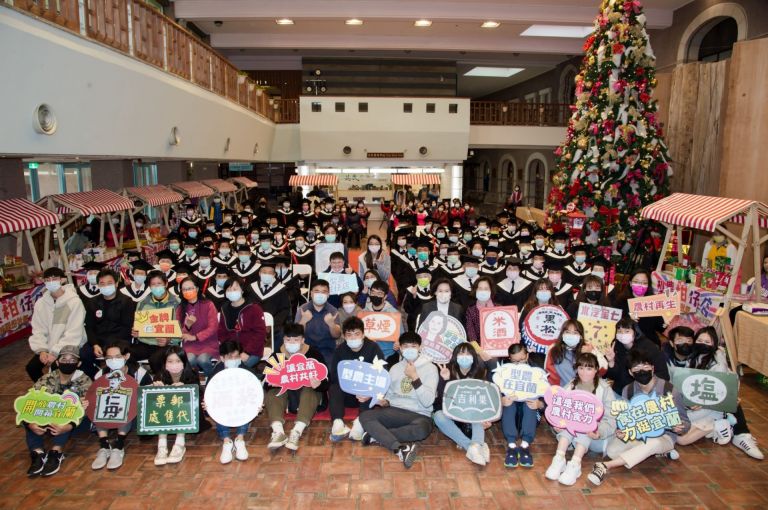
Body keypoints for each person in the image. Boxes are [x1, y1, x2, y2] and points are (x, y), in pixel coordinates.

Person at [588, 349, 691, 486]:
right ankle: (657, 452)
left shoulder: (668, 389)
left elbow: (685, 421)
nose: (642, 371)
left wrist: (680, 427)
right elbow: (625, 417)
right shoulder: (628, 390)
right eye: (637, 368)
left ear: (652, 368)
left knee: (653, 443)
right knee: (613, 450)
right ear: (631, 372)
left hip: (664, 435)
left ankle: (605, 466)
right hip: (639, 432)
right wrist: (622, 430)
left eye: (645, 367)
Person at [358, 332, 438, 469]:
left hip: (419, 414)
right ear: (400, 348)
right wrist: (378, 401)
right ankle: (400, 447)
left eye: (413, 346)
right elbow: (388, 398)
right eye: (405, 346)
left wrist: (415, 377)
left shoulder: (430, 368)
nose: (409, 349)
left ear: (420, 347)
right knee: (365, 415)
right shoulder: (395, 368)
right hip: (394, 411)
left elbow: (428, 402)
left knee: (422, 430)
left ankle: (377, 435)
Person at [689, 326, 763, 459]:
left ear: (715, 344)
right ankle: (721, 424)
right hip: (694, 405)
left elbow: (726, 387)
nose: (702, 344)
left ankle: (742, 435)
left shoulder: (719, 363)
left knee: (733, 401)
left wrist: (726, 398)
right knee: (684, 434)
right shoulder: (691, 357)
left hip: (712, 404)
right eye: (699, 340)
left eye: (707, 342)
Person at [545, 352, 616, 486]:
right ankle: (559, 459)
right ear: (576, 369)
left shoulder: (604, 389)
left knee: (585, 426)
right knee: (569, 425)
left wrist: (599, 431)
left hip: (596, 435)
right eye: (581, 368)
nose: (584, 372)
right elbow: (559, 408)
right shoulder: (572, 384)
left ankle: (575, 464)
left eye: (589, 368)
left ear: (596, 370)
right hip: (572, 432)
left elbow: (611, 418)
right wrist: (556, 425)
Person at [23, 345, 92, 477]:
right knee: (28, 416)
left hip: (75, 423)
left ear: (79, 364)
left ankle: (56, 452)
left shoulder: (85, 380)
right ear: (57, 362)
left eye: (72, 360)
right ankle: (37, 453)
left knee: (65, 416)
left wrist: (68, 426)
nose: (68, 362)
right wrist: (30, 424)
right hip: (47, 418)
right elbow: (30, 402)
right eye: (64, 359)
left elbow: (84, 409)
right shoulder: (46, 379)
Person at [265, 322, 329, 452]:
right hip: (288, 398)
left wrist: (319, 384)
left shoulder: (313, 354)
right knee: (273, 392)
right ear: (283, 340)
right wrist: (272, 383)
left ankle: (296, 431)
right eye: (288, 340)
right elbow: (265, 381)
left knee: (310, 388)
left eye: (296, 340)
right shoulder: (277, 356)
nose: (292, 343)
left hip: (306, 396)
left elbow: (327, 381)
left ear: (302, 340)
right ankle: (278, 432)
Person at [90, 340, 152, 471]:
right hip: (108, 412)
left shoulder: (140, 373)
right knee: (100, 405)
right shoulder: (100, 375)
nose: (113, 361)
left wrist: (138, 391)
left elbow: (149, 397)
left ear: (126, 356)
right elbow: (92, 395)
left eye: (117, 357)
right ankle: (104, 446)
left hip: (134, 414)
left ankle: (119, 446)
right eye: (109, 358)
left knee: (124, 405)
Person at [433, 343, 495, 466]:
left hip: (471, 414)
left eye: (468, 353)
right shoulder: (447, 370)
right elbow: (441, 399)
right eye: (461, 353)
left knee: (479, 414)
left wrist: (487, 418)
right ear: (455, 356)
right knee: (438, 416)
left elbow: (485, 398)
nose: (465, 356)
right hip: (451, 412)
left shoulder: (480, 372)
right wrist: (445, 380)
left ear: (474, 356)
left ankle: (476, 445)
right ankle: (473, 446)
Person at [328, 317, 385, 442]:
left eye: (357, 334)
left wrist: (369, 393)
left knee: (368, 388)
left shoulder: (373, 347)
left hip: (366, 395)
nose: (353, 338)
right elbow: (334, 375)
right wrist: (349, 386)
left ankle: (360, 422)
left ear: (363, 334)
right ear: (344, 336)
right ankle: (337, 421)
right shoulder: (340, 350)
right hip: (346, 392)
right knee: (334, 387)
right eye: (349, 334)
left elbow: (382, 373)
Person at [27, 267, 89, 382]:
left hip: (70, 345)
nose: (51, 282)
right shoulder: (41, 303)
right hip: (48, 346)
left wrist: (55, 352)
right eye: (47, 279)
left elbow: (74, 332)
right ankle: (45, 389)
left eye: (54, 279)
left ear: (62, 280)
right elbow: (38, 329)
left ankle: (61, 393)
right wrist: (41, 350)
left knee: (57, 367)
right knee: (32, 367)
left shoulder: (74, 302)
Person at [206, 340, 257, 464]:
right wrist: (207, 405)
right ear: (222, 358)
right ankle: (227, 441)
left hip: (241, 404)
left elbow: (255, 391)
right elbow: (209, 394)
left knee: (246, 405)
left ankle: (240, 438)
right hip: (224, 406)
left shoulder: (246, 370)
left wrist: (257, 405)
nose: (234, 359)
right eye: (230, 357)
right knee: (218, 409)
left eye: (237, 356)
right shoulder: (215, 373)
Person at [152, 346, 200, 466]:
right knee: (160, 407)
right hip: (166, 413)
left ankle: (179, 444)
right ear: (165, 363)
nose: (174, 364)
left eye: (178, 361)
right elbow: (152, 403)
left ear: (184, 362)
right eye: (170, 361)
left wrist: (185, 389)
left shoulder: (192, 374)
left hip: (186, 414)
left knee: (180, 405)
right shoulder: (159, 376)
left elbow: (199, 398)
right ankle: (162, 446)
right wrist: (157, 390)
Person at [501, 344, 544, 468]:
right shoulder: (502, 371)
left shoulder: (538, 370)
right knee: (509, 402)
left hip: (530, 417)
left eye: (522, 360)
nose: (519, 364)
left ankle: (525, 445)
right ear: (509, 359)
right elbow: (492, 394)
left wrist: (539, 404)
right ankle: (511, 446)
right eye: (514, 361)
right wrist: (501, 400)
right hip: (510, 416)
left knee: (531, 401)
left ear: (527, 355)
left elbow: (548, 398)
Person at [604, 317, 669, 395]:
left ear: (635, 332)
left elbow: (663, 374)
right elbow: (614, 376)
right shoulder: (615, 346)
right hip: (621, 390)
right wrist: (611, 362)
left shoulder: (649, 347)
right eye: (619, 331)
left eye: (627, 331)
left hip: (647, 391)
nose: (622, 334)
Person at [131, 271, 181, 372]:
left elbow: (181, 329)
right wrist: (136, 332)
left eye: (159, 284)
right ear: (149, 286)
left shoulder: (177, 303)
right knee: (126, 354)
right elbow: (137, 325)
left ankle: (162, 384)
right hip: (145, 343)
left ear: (166, 284)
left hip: (167, 344)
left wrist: (169, 339)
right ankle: (136, 382)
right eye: (153, 284)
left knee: (155, 359)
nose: (156, 287)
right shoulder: (143, 303)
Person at [84, 268, 136, 359]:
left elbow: (127, 327)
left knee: (115, 355)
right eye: (102, 284)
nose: (106, 286)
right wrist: (95, 344)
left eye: (109, 283)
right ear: (98, 285)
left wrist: (109, 345)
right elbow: (89, 327)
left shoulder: (126, 301)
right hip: (98, 341)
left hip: (120, 340)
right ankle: (98, 373)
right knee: (84, 354)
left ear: (116, 284)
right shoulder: (92, 302)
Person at [217, 277, 267, 368]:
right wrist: (228, 352)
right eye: (229, 289)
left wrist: (247, 352)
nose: (232, 291)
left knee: (238, 368)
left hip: (252, 351)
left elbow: (260, 333)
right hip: (231, 350)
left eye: (235, 289)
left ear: (242, 290)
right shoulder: (224, 309)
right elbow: (221, 332)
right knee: (219, 368)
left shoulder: (254, 308)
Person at [177, 277, 219, 378]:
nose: (187, 291)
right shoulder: (180, 308)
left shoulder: (208, 304)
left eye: (190, 288)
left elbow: (213, 327)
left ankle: (213, 379)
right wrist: (187, 326)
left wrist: (196, 337)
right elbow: (180, 332)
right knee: (189, 360)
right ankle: (195, 382)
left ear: (197, 288)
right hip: (190, 345)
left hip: (208, 343)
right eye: (184, 289)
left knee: (202, 360)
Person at [612, 268, 665, 346]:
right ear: (630, 283)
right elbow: (614, 324)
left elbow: (659, 328)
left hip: (649, 344)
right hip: (626, 343)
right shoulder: (621, 302)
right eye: (636, 282)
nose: (640, 285)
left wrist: (665, 323)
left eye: (644, 283)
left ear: (648, 285)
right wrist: (628, 320)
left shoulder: (653, 303)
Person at [544, 320, 607, 386]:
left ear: (581, 336)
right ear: (562, 334)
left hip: (584, 392)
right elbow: (549, 374)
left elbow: (603, 370)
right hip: (561, 393)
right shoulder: (554, 349)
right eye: (567, 332)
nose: (571, 335)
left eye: (575, 333)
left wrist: (590, 354)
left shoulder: (588, 347)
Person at [295, 279, 342, 365]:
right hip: (306, 349)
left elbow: (337, 335)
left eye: (324, 292)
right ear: (311, 293)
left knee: (329, 373)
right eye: (317, 291)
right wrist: (303, 321)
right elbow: (296, 335)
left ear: (328, 295)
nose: (320, 294)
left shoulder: (333, 310)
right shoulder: (303, 309)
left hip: (327, 350)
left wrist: (331, 324)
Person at [249, 261, 292, 351]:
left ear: (274, 274)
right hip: (254, 324)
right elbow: (248, 307)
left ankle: (273, 357)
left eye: (270, 273)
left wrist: (271, 324)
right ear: (259, 273)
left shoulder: (281, 289)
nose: (267, 274)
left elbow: (284, 309)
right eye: (264, 272)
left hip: (274, 325)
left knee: (280, 334)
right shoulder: (251, 288)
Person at [361, 280, 404, 358]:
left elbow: (401, 336)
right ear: (369, 293)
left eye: (379, 293)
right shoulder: (363, 313)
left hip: (389, 354)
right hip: (368, 353)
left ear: (385, 296)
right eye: (373, 292)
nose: (375, 295)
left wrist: (398, 343)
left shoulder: (394, 314)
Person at [464, 276, 497, 342]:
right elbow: (471, 336)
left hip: (498, 347)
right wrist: (479, 351)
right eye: (480, 288)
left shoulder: (499, 309)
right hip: (478, 349)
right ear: (475, 290)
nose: (483, 291)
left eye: (486, 289)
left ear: (491, 290)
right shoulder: (470, 311)